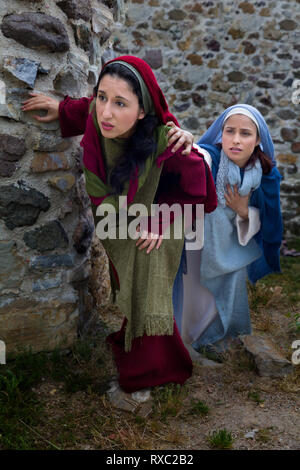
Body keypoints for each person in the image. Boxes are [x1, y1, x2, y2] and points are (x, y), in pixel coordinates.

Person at [22, 55, 217, 394]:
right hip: (115, 213)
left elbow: (197, 191)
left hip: (163, 214)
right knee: (130, 278)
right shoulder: (99, 117)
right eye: (102, 97)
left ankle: (149, 373)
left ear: (142, 111)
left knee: (146, 268)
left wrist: (160, 220)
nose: (106, 112)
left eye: (120, 103)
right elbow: (87, 109)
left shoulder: (168, 139)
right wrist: (60, 108)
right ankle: (144, 343)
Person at [172, 104, 283, 355]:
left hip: (233, 243)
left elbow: (269, 220)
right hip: (199, 241)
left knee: (230, 287)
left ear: (257, 140)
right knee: (193, 292)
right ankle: (188, 339)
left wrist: (243, 210)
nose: (235, 139)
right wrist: (189, 141)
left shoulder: (265, 175)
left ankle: (220, 336)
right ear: (220, 134)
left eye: (245, 133)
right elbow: (199, 155)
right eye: (229, 131)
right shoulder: (212, 156)